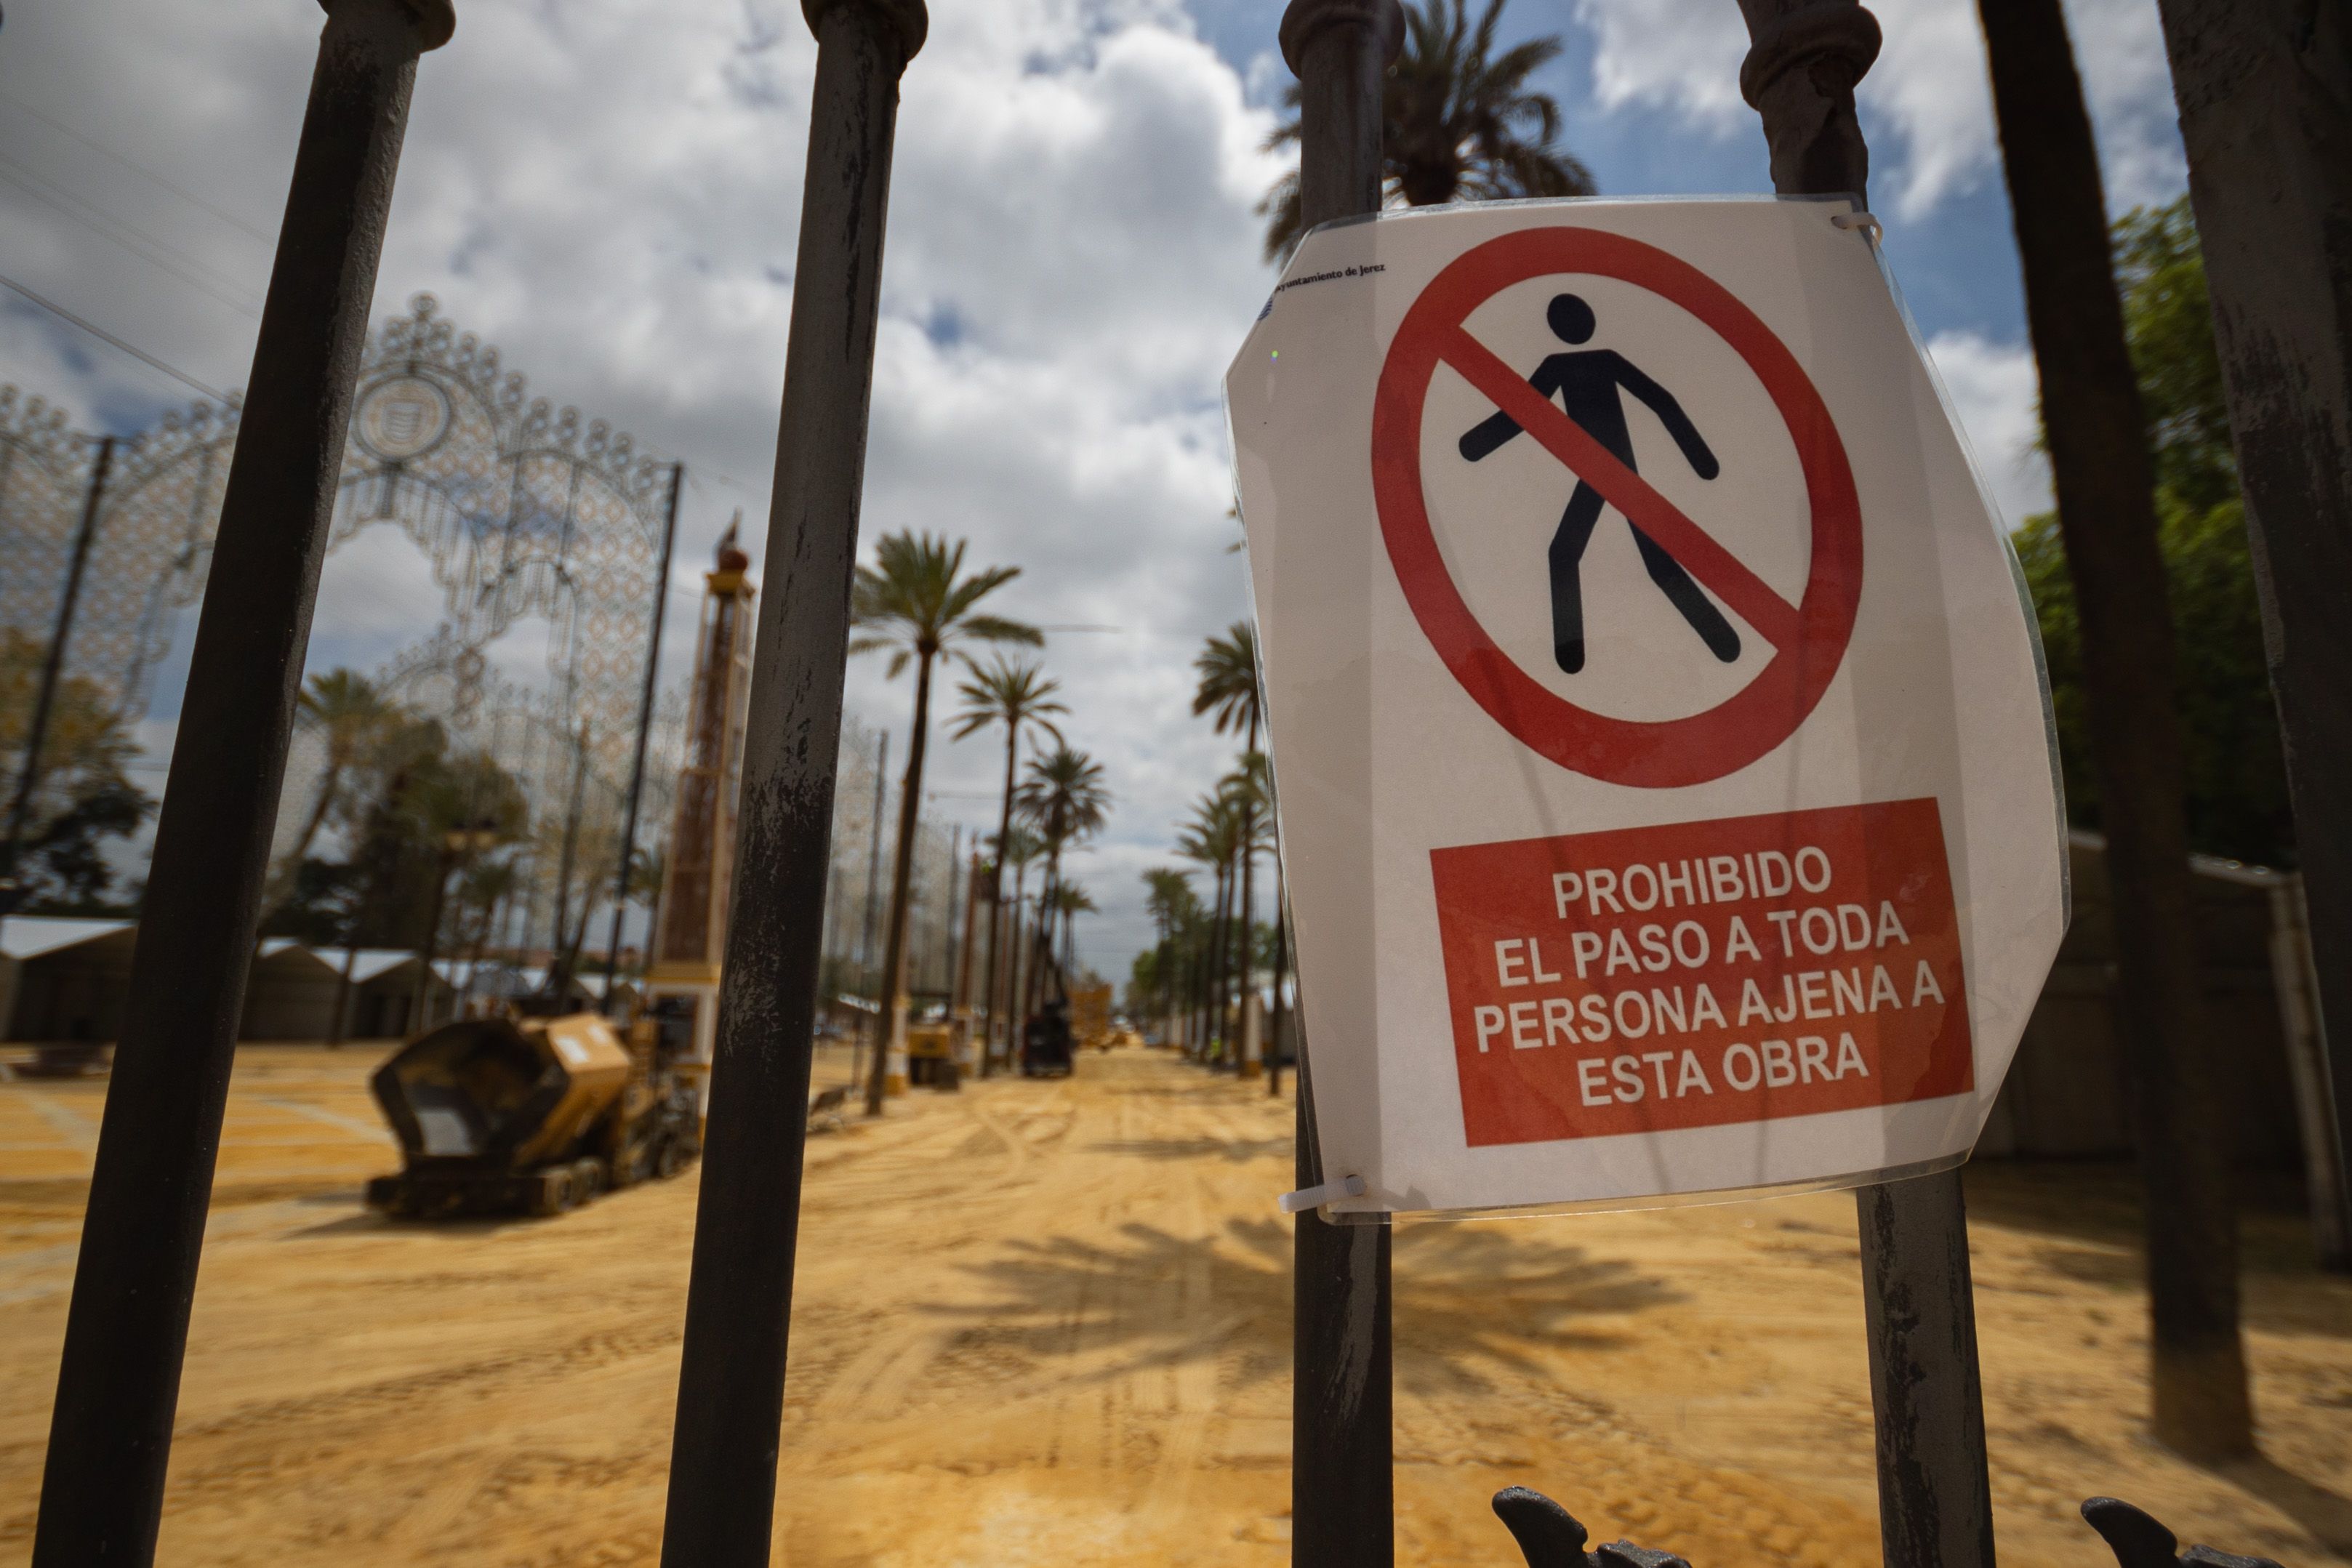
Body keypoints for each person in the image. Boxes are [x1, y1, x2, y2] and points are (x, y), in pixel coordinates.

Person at [1459, 292, 1738, 674]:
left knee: (1569, 554)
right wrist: (1701, 461)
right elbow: (1662, 401)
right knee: (1647, 559)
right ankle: (1719, 638)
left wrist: (1475, 444)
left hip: (1610, 474)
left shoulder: (1566, 364)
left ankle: (1572, 654)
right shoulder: (1590, 362)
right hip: (1608, 474)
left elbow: (1519, 415)